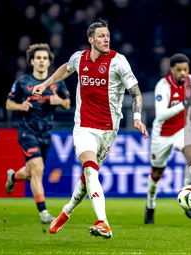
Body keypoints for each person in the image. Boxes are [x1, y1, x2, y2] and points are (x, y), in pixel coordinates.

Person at [32, 18, 149, 239]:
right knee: (89, 167)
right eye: (102, 36)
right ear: (91, 40)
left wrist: (137, 117)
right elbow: (65, 70)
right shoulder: (80, 58)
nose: (106, 39)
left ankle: (66, 211)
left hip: (108, 130)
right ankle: (103, 222)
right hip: (84, 126)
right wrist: (45, 84)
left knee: (87, 180)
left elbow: (135, 91)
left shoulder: (118, 61)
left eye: (108, 36)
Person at [5, 43, 71, 224]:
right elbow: (9, 104)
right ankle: (43, 212)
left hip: (46, 132)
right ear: (32, 61)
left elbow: (67, 103)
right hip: (27, 130)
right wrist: (20, 106)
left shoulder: (56, 82)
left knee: (30, 172)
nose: (42, 61)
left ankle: (14, 176)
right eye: (38, 58)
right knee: (38, 169)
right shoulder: (22, 82)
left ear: (49, 62)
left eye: (45, 58)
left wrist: (60, 101)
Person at [145, 53, 191, 224]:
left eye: (186, 69)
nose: (183, 73)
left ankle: (188, 195)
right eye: (179, 70)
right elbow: (161, 115)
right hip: (162, 134)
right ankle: (150, 205)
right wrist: (183, 105)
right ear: (172, 70)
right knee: (157, 173)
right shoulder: (163, 85)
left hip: (182, 129)